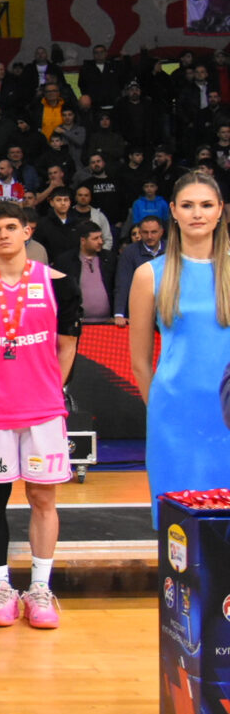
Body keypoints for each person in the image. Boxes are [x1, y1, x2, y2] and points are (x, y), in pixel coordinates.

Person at [0, 203, 80, 631]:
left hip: (42, 410)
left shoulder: (58, 284)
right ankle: (1, 588)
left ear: (27, 231)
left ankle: (39, 589)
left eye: (10, 228)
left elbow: (67, 345)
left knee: (42, 499)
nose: (2, 236)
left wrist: (51, 387)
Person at [130, 174, 230, 526]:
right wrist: (161, 408)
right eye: (187, 205)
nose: (197, 213)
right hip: (174, 419)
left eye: (206, 205)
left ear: (220, 211)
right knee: (180, 535)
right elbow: (140, 361)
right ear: (172, 211)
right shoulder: (149, 274)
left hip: (226, 417)